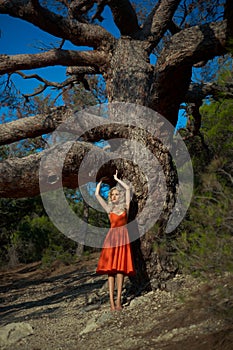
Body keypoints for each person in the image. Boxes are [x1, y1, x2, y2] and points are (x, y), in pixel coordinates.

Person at [95, 170, 135, 311]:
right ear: (110, 197)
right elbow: (96, 195)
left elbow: (128, 189)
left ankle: (119, 302)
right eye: (112, 195)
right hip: (111, 241)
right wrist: (99, 183)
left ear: (120, 195)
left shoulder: (126, 207)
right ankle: (111, 303)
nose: (114, 196)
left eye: (116, 194)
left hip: (123, 239)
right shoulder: (108, 209)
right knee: (110, 272)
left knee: (121, 271)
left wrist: (117, 179)